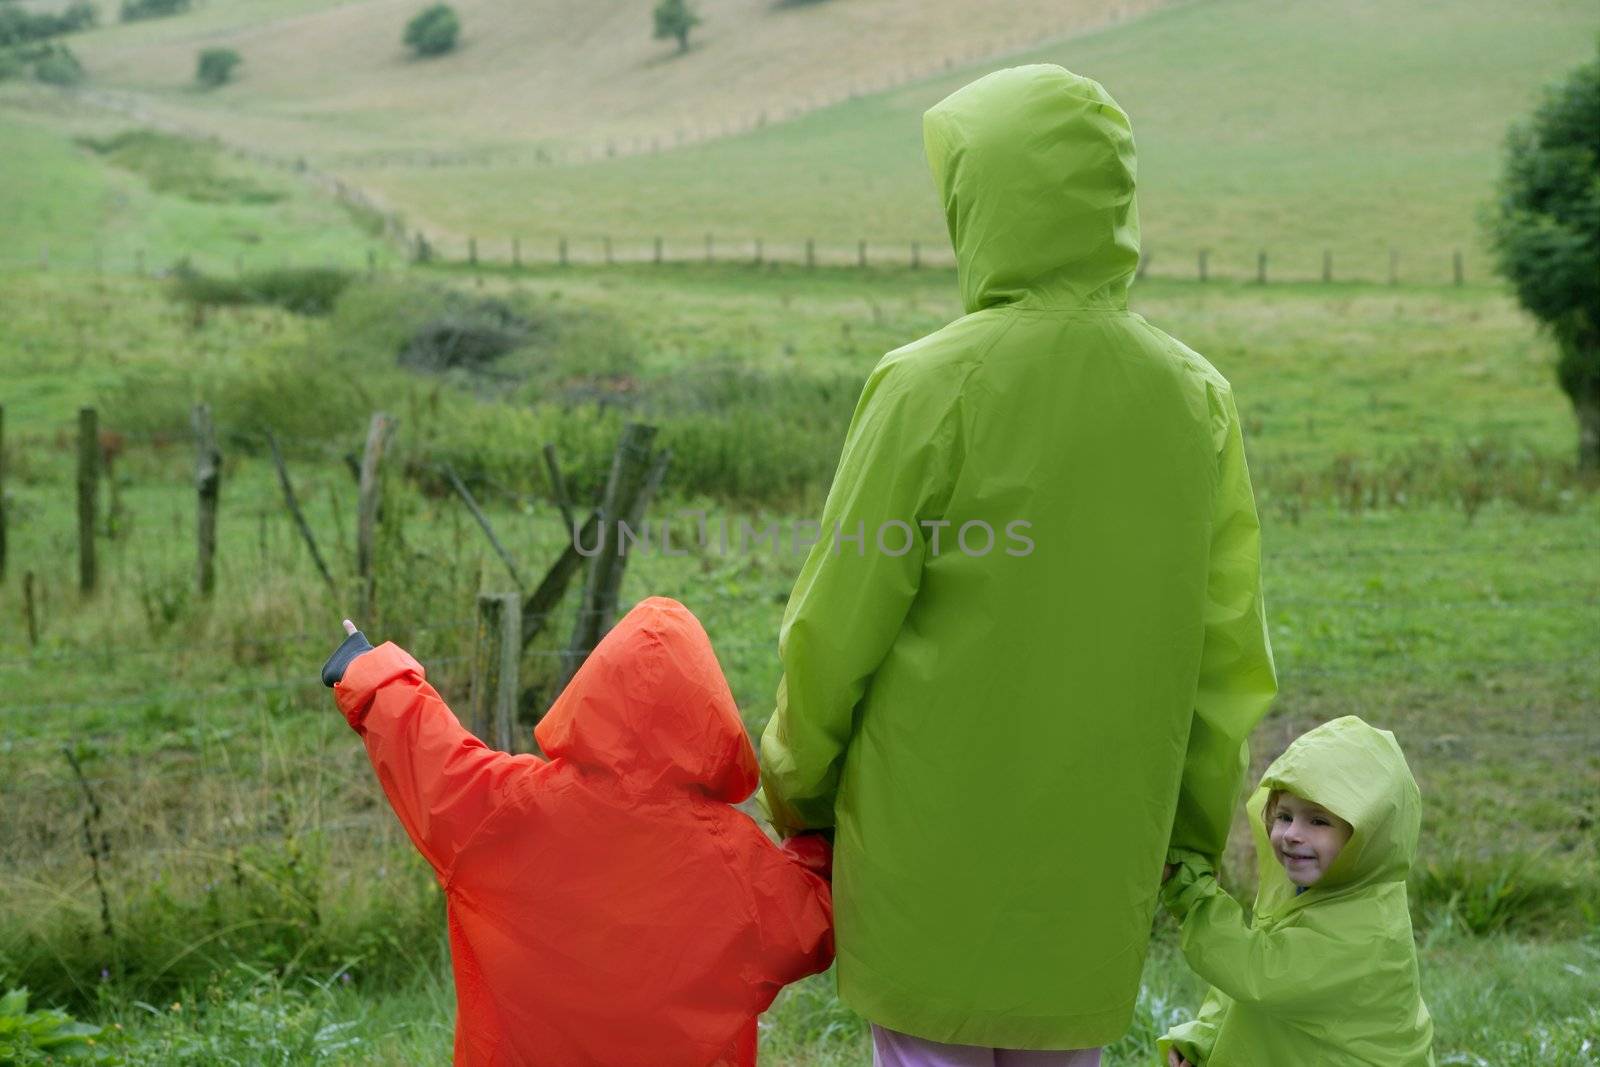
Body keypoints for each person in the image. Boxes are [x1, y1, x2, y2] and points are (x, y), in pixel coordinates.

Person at [757, 63, 1277, 1065]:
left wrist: (798, 785)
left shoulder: (926, 385)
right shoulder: (1195, 399)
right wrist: (1186, 839)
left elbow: (836, 623)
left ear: (981, 202)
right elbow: (1224, 661)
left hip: (923, 853)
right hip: (1093, 859)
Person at [321, 597, 835, 1067]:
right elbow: (812, 916)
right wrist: (823, 832)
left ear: (594, 690)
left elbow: (432, 755)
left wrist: (372, 672)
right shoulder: (737, 864)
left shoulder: (509, 811)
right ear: (710, 712)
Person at [1159, 716, 1435, 1066]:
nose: (1290, 834)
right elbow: (1246, 998)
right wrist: (1205, 1037)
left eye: (1318, 821)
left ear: (1370, 836)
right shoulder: (1310, 890)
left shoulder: (1366, 931)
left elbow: (1256, 973)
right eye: (1285, 816)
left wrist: (1189, 891)